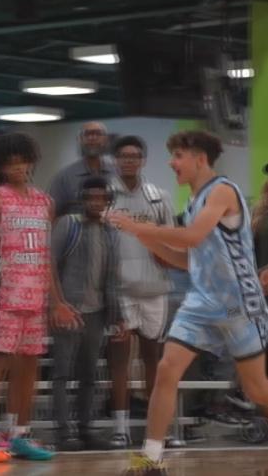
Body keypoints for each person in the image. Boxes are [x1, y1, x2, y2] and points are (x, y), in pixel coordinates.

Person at [108, 131, 268, 475]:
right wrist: (143, 235)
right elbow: (186, 260)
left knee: (257, 390)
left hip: (238, 303)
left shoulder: (222, 191)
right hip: (201, 303)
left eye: (178, 156)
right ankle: (151, 458)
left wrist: (143, 228)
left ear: (200, 159)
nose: (172, 163)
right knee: (167, 369)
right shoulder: (194, 201)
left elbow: (192, 236)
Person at [0, 132, 62, 462]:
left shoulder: (45, 202)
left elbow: (47, 254)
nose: (18, 167)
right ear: (1, 166)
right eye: (10, 163)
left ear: (31, 162)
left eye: (22, 161)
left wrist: (57, 300)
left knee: (28, 368)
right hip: (3, 296)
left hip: (36, 296)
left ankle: (19, 434)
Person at [106, 135, 175, 448]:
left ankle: (156, 430)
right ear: (116, 160)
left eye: (134, 156)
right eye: (124, 156)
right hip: (120, 290)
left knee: (154, 360)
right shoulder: (106, 196)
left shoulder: (159, 197)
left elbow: (172, 240)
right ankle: (120, 429)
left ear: (143, 160)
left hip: (154, 288)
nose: (129, 161)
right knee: (119, 361)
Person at [51, 176, 120, 451]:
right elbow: (49, 264)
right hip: (70, 309)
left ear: (107, 201)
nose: (95, 202)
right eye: (91, 197)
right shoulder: (69, 224)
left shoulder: (109, 231)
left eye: (101, 198)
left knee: (89, 375)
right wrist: (56, 304)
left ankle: (86, 429)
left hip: (97, 312)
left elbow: (113, 276)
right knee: (62, 373)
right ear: (82, 199)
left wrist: (117, 314)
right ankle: (62, 432)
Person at [49, 121, 115, 217]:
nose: (93, 138)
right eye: (87, 134)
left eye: (98, 134)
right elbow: (51, 215)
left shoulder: (117, 174)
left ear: (106, 139)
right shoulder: (64, 177)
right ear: (79, 139)